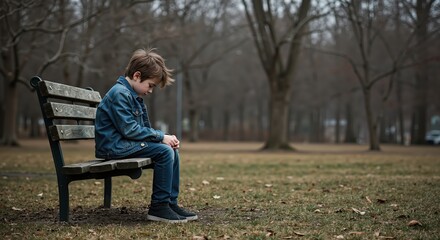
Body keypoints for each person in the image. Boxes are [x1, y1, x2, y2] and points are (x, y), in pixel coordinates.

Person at [94, 48, 197, 223]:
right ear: (136, 75)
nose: (150, 91)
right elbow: (130, 130)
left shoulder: (131, 95)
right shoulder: (120, 94)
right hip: (113, 147)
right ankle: (158, 207)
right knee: (165, 151)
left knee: (170, 150)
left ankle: (169, 203)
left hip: (123, 144)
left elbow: (139, 130)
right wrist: (161, 136)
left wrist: (163, 140)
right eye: (150, 85)